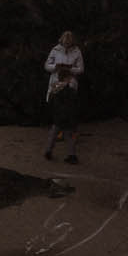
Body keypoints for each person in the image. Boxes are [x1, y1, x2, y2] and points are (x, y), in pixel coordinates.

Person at [42, 29, 84, 164]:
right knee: (63, 126)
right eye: (65, 41)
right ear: (62, 40)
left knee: (59, 125)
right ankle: (68, 154)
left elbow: (81, 69)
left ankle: (51, 151)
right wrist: (56, 67)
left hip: (68, 86)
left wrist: (70, 70)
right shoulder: (55, 50)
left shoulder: (77, 52)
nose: (67, 44)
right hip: (57, 86)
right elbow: (47, 66)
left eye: (69, 41)